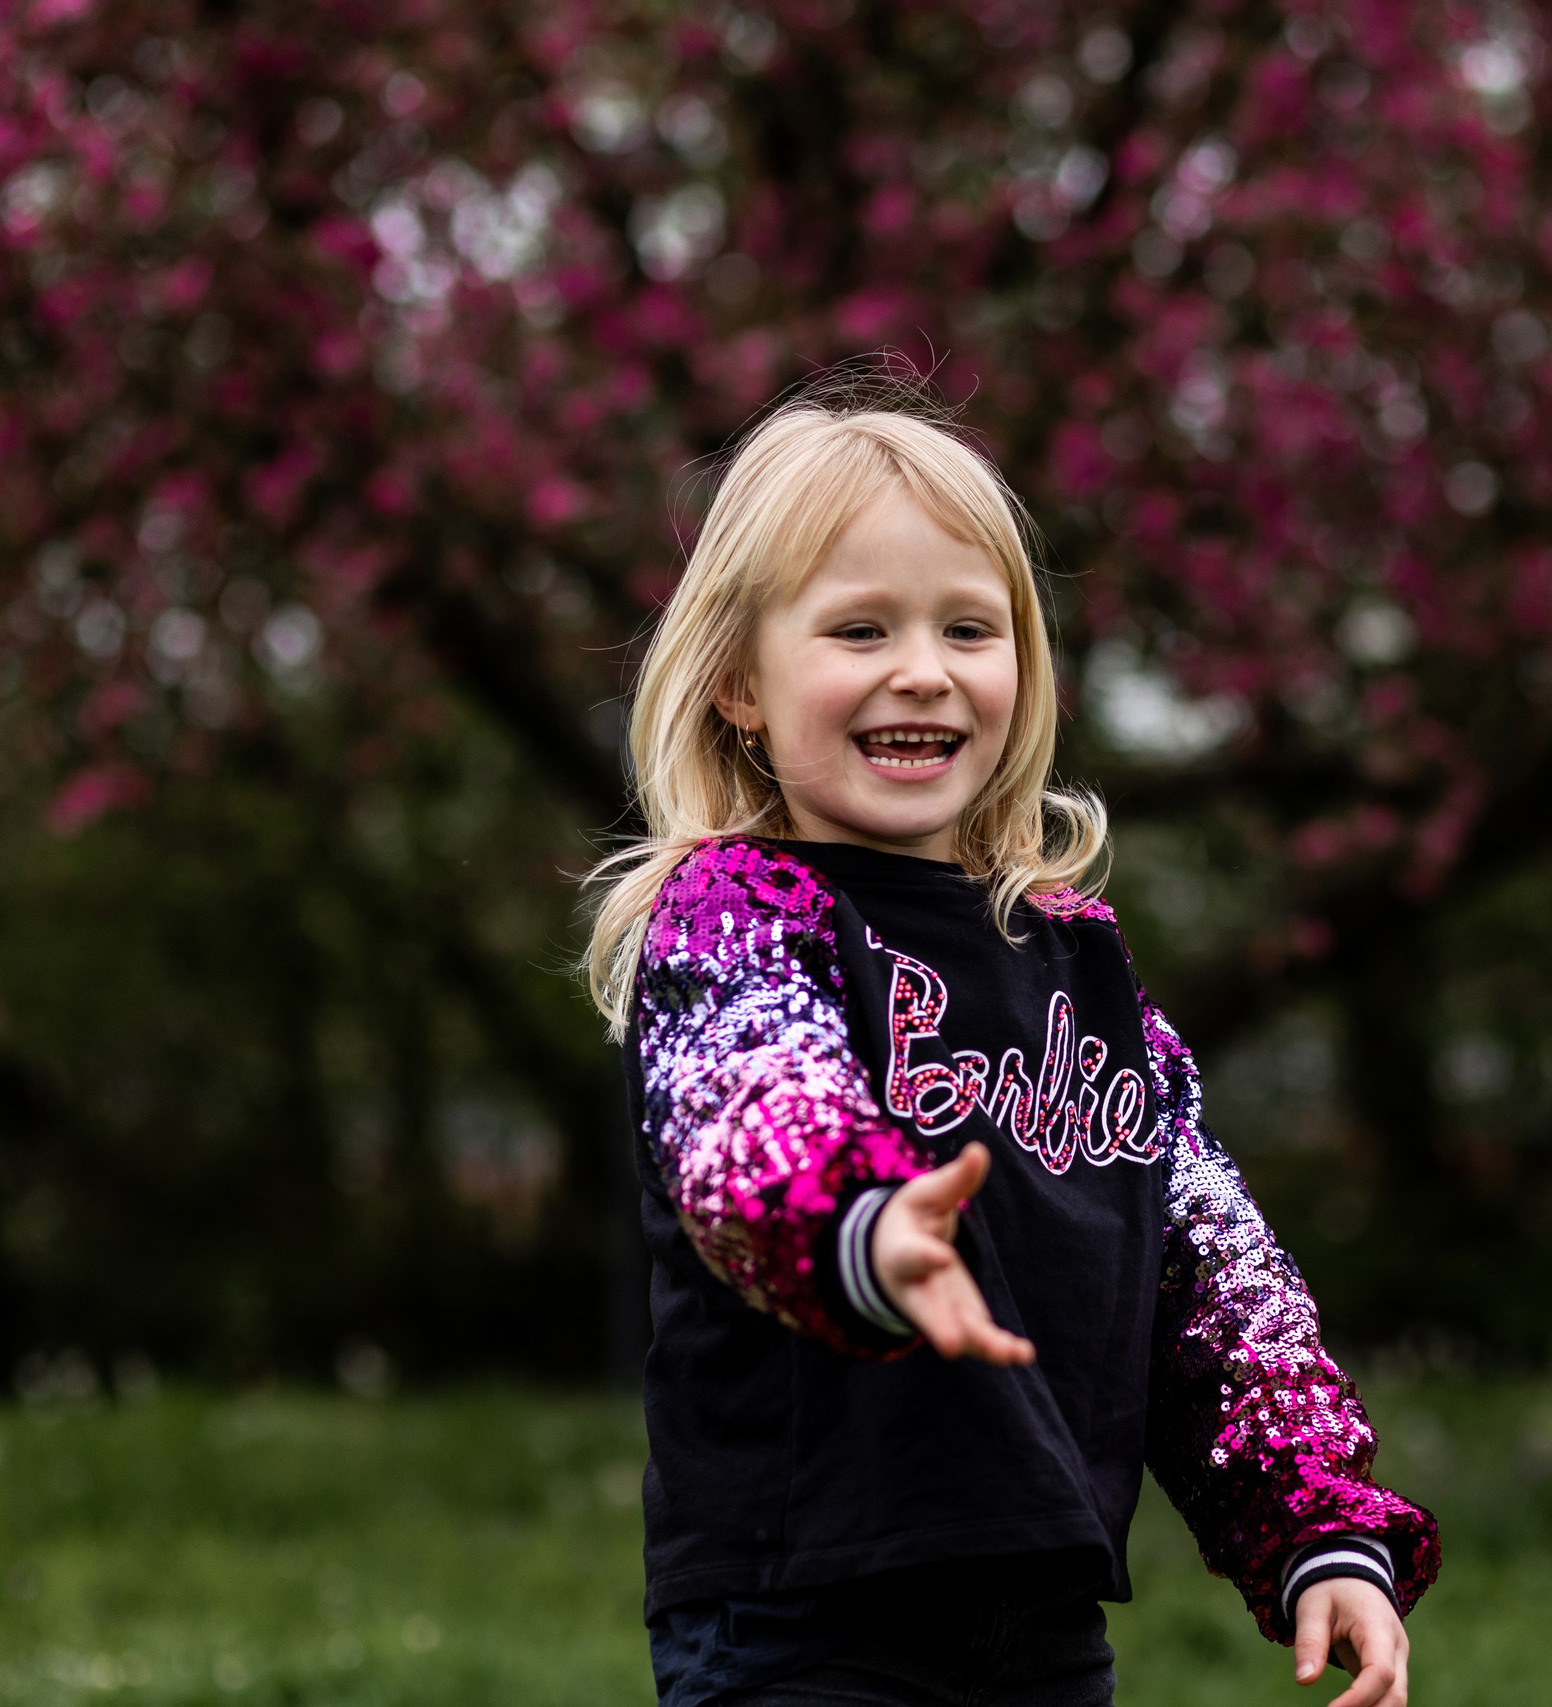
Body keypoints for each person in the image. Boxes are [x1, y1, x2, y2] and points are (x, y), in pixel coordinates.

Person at [583, 387, 1437, 1707]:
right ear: (740, 682)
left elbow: (1208, 1271)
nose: (922, 667)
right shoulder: (738, 916)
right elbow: (754, 1115)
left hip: (1038, 1608)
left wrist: (1315, 1520)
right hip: (801, 1606)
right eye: (860, 627)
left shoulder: (1080, 961)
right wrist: (862, 1225)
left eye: (968, 629)